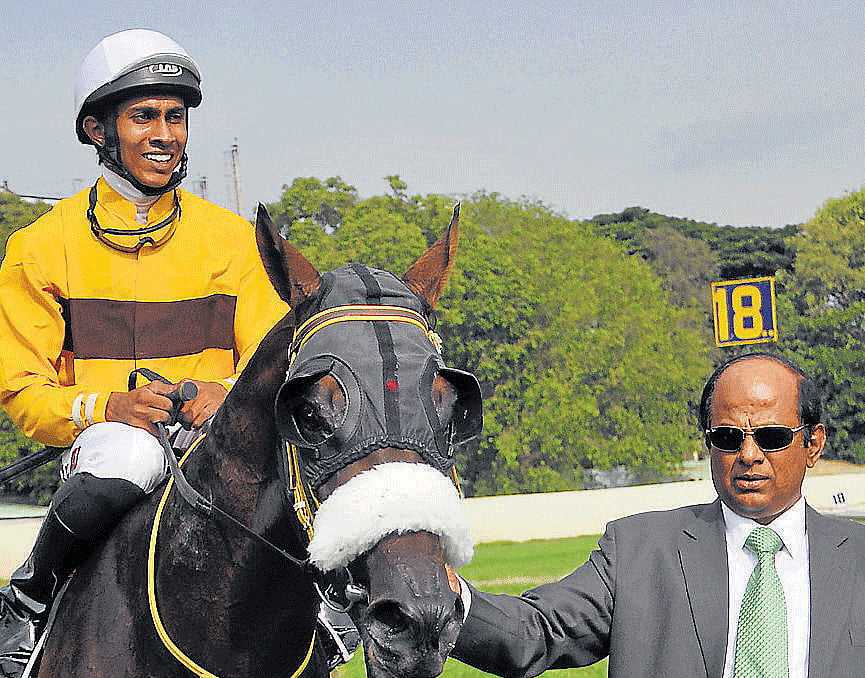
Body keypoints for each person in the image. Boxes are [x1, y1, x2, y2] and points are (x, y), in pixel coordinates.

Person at [0, 29, 287, 676]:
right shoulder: (41, 247)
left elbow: (274, 357)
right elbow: (21, 390)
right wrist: (109, 405)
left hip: (218, 445)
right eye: (143, 117)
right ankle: (27, 596)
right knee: (129, 453)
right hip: (108, 445)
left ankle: (331, 605)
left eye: (175, 117)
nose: (165, 133)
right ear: (98, 131)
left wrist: (231, 392)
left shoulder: (233, 240)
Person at [450, 352, 865, 677]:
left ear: (813, 445)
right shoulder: (637, 551)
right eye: (727, 437)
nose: (749, 456)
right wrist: (445, 598)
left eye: (772, 437)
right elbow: (533, 633)